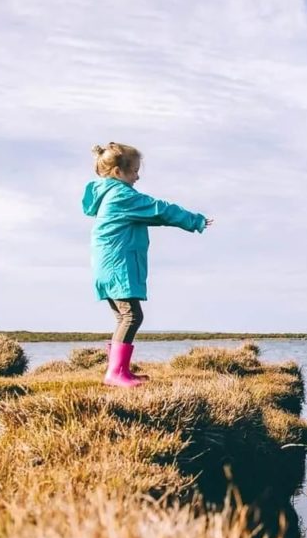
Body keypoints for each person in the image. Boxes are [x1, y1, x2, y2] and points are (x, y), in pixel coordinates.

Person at [82, 143, 213, 387]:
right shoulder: (122, 196)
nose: (137, 175)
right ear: (118, 172)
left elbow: (154, 216)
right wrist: (195, 220)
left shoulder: (108, 195)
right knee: (132, 316)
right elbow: (159, 210)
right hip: (118, 265)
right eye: (133, 170)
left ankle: (120, 371)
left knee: (123, 317)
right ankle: (115, 373)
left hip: (107, 266)